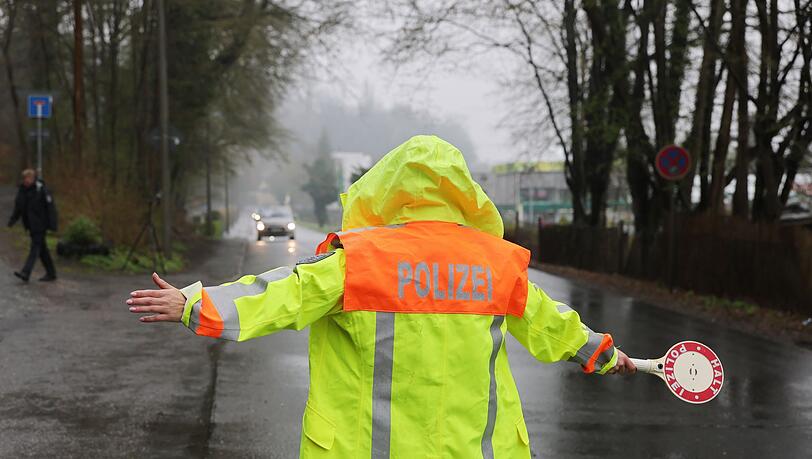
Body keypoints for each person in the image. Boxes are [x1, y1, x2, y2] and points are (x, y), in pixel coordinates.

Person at [128, 135, 635, 458]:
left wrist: (195, 304)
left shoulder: (360, 258)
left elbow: (282, 294)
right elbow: (556, 325)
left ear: (387, 189)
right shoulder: (497, 263)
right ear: (464, 193)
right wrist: (606, 354)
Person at [8, 169, 57, 282]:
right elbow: (19, 207)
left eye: (29, 178)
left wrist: (52, 225)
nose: (26, 180)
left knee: (35, 248)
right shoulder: (22, 191)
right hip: (30, 225)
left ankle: (26, 272)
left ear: (33, 178)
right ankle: (51, 273)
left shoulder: (42, 190)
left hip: (41, 224)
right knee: (42, 249)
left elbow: (51, 208)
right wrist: (12, 220)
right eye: (25, 178)